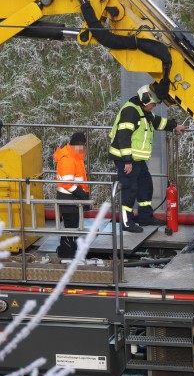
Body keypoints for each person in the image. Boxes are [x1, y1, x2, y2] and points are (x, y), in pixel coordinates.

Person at [108, 84, 186, 232]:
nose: (154, 106)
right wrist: (127, 161)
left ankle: (145, 217)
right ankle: (126, 222)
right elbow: (123, 137)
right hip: (126, 159)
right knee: (129, 189)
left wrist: (174, 126)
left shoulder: (142, 111)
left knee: (145, 185)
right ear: (145, 99)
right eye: (153, 103)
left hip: (136, 160)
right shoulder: (130, 111)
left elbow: (157, 121)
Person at [54, 132, 90, 258]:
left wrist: (84, 194)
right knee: (70, 226)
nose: (84, 148)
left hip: (73, 198)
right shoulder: (68, 159)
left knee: (72, 226)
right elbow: (67, 183)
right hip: (69, 199)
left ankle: (68, 250)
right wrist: (82, 194)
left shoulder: (75, 156)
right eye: (83, 145)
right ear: (77, 145)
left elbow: (79, 178)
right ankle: (66, 252)